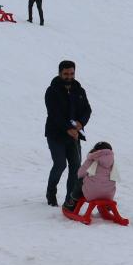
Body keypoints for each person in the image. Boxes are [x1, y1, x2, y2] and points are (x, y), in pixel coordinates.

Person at [44, 60, 92, 207]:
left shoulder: (79, 90)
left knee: (76, 167)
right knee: (60, 164)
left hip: (74, 136)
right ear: (60, 73)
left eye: (71, 73)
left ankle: (70, 199)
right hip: (56, 135)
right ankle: (51, 193)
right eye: (65, 74)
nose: (69, 76)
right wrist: (67, 129)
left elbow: (87, 110)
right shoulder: (52, 90)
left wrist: (81, 123)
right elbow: (54, 114)